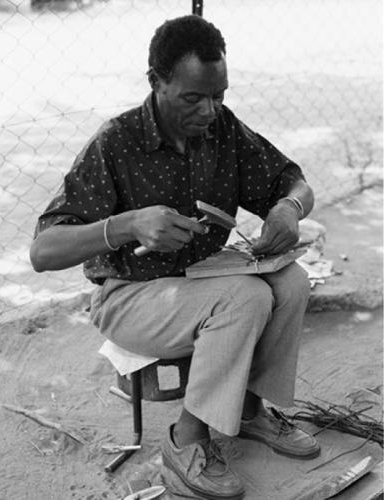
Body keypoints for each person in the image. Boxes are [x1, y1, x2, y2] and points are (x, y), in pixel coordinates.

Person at [30, 15, 320, 500]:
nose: (209, 110)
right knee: (245, 298)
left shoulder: (221, 129)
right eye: (193, 98)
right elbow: (42, 251)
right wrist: (126, 224)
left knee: (292, 281)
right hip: (130, 297)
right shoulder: (117, 142)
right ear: (156, 82)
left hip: (203, 278)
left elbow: (292, 181)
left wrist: (289, 209)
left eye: (219, 95)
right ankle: (185, 443)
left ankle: (249, 411)